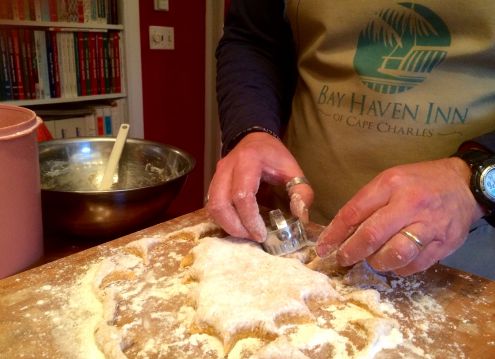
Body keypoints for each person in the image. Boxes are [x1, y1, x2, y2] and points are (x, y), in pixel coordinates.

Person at [207, 0, 495, 279]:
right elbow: (254, 41)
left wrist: (475, 181)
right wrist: (252, 128)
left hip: (469, 255)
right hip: (301, 236)